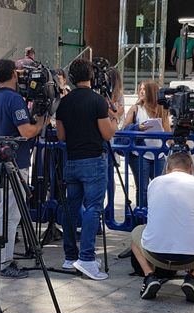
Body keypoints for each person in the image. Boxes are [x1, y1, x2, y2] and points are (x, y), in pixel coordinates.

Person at [131, 152, 194, 304]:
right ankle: (193, 278)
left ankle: (149, 276)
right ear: (190, 168)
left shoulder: (154, 183)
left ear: (167, 167)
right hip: (192, 258)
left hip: (156, 255)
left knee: (136, 233)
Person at [55, 58, 118, 280]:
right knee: (93, 208)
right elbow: (108, 134)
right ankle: (87, 258)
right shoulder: (97, 101)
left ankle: (70, 256)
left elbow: (61, 135)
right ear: (90, 76)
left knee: (72, 208)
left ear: (71, 78)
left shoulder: (64, 102)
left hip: (71, 160)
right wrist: (114, 118)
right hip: (93, 159)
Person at [0, 59, 46, 278]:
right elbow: (26, 131)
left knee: (1, 213)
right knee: (10, 215)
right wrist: (40, 123)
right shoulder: (14, 99)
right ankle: (3, 263)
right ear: (13, 74)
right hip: (13, 164)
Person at [123, 80, 171, 207]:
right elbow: (124, 129)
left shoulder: (162, 109)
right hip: (139, 154)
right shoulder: (136, 109)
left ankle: (155, 215)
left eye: (144, 89)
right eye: (140, 89)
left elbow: (168, 132)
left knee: (159, 188)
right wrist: (138, 128)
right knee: (143, 189)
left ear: (152, 92)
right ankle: (141, 219)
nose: (141, 91)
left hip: (158, 154)